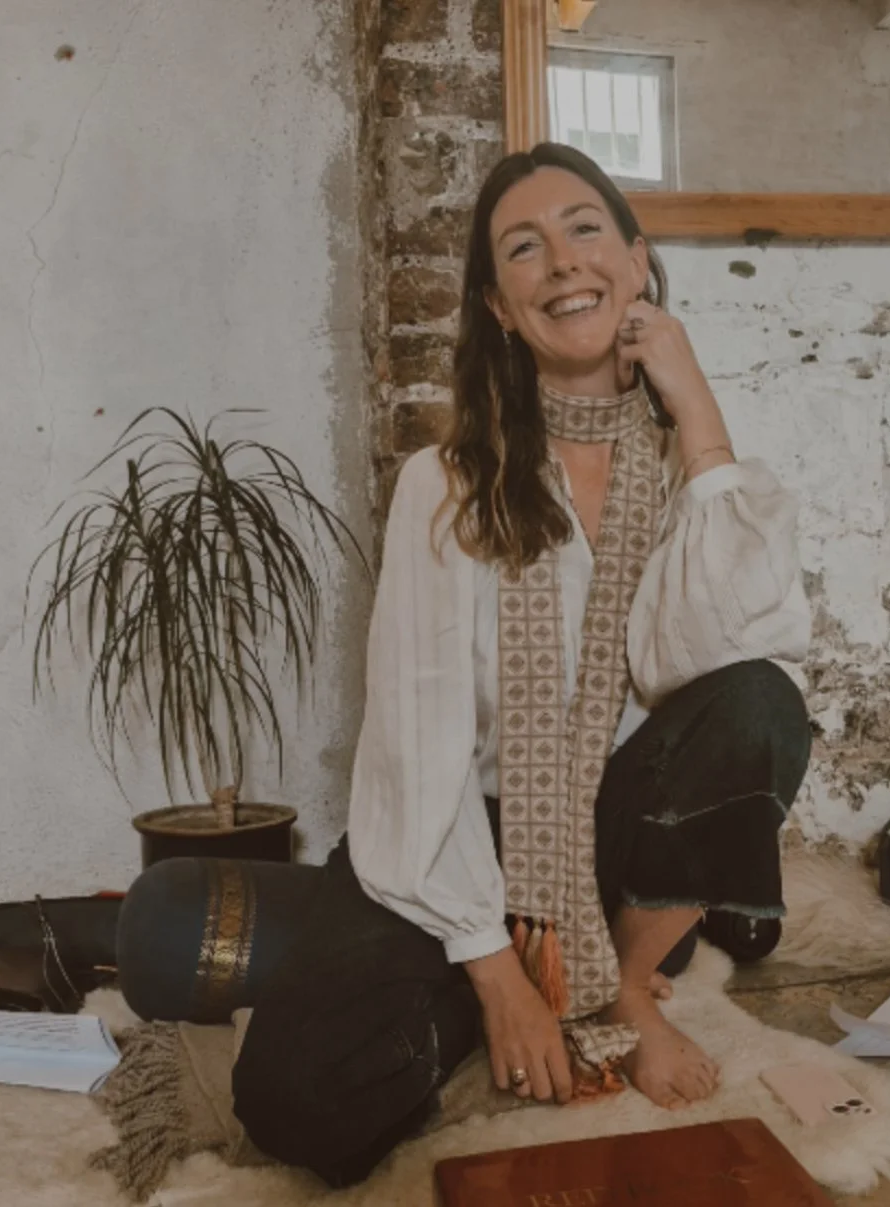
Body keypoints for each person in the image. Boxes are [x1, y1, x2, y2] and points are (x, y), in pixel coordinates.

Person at [127, 142, 812, 1189]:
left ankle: (623, 983)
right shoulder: (444, 485)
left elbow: (731, 649)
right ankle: (506, 981)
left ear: (636, 260)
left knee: (763, 697)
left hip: (614, 830)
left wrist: (699, 411)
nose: (563, 262)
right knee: (296, 1100)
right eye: (523, 249)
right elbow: (417, 741)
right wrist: (495, 971)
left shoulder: (688, 476)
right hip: (452, 824)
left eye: (585, 230)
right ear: (500, 305)